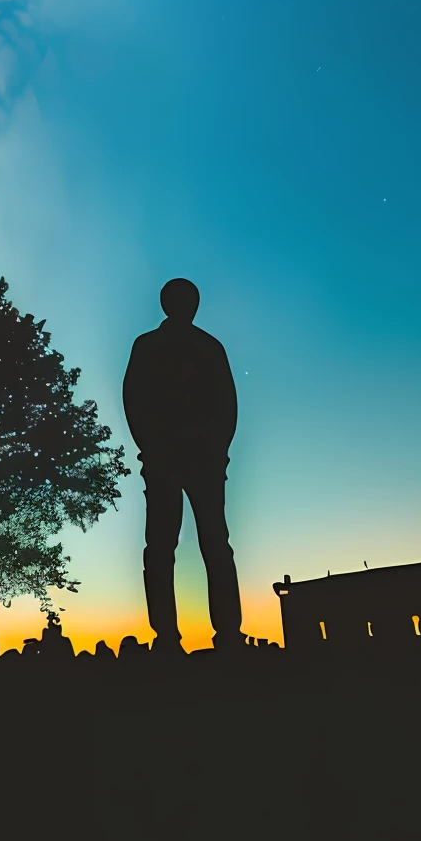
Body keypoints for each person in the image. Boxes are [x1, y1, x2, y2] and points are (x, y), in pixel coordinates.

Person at [123, 278, 243, 653]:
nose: (185, 306)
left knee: (213, 544)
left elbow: (227, 405)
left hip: (200, 460)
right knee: (162, 546)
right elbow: (134, 401)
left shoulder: (208, 347)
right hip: (166, 459)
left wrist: (217, 450)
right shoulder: (149, 346)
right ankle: (168, 636)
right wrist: (151, 448)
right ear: (166, 304)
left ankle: (226, 633)